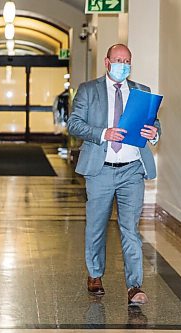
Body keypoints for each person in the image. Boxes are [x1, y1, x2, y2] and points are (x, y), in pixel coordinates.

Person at [67, 44, 161, 305]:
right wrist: (102, 133)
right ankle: (95, 274)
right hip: (100, 170)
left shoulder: (142, 91)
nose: (123, 65)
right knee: (96, 226)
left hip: (132, 169)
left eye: (127, 61)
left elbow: (153, 123)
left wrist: (154, 133)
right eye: (118, 60)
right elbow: (74, 124)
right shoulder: (88, 90)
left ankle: (134, 285)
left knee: (130, 228)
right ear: (107, 62)